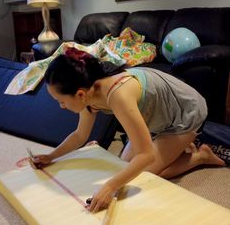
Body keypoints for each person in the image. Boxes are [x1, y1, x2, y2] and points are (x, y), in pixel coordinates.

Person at [32, 47, 225, 212]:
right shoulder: (89, 96)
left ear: (80, 94)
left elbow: (146, 154)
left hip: (186, 113)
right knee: (122, 167)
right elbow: (80, 135)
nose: (61, 106)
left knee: (142, 175)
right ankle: (178, 146)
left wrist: (109, 186)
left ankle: (200, 156)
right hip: (155, 117)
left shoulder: (118, 96)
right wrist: (51, 157)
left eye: (61, 101)